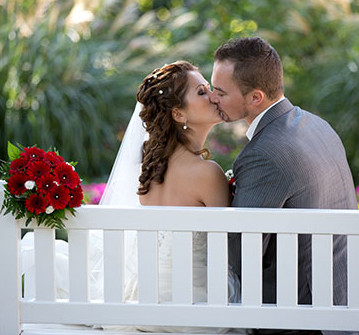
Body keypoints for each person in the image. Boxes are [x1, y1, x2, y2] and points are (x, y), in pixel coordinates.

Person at [209, 37, 358, 335]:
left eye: (220, 92)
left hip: (300, 317)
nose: (212, 98)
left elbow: (239, 254)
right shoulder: (317, 125)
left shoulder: (265, 153)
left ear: (255, 98)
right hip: (345, 296)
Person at [100, 61, 246, 334]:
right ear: (179, 113)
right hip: (195, 305)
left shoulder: (147, 171)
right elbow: (231, 249)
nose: (214, 96)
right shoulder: (207, 174)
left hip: (146, 302)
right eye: (202, 92)